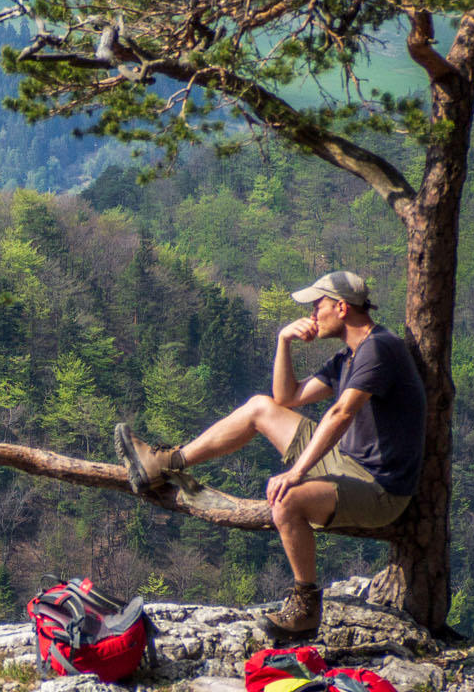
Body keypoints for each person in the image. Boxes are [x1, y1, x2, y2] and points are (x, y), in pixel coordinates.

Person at [113, 270, 426, 638]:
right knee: (259, 407)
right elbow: (285, 398)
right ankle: (166, 463)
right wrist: (283, 342)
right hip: (347, 463)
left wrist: (297, 472)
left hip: (380, 489)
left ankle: (305, 605)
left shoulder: (378, 349)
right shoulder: (349, 356)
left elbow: (342, 413)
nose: (312, 314)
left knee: (287, 500)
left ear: (341, 308)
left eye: (317, 305)